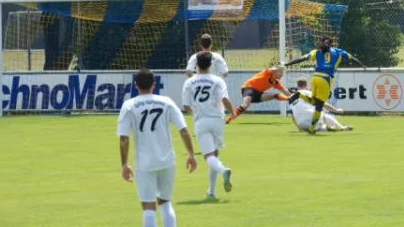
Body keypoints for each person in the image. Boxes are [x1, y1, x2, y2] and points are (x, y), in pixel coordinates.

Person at [117, 68, 197, 227]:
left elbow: (124, 139)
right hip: (167, 161)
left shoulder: (129, 105)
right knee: (165, 202)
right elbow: (184, 130)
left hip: (144, 163)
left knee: (148, 206)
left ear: (135, 85)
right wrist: (191, 155)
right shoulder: (166, 102)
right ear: (154, 85)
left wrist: (124, 164)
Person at [182, 51, 235, 198]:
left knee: (208, 156)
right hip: (218, 120)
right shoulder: (218, 81)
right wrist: (233, 113)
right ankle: (211, 191)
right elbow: (224, 100)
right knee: (215, 154)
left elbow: (186, 106)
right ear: (211, 65)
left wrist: (196, 114)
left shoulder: (190, 82)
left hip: (201, 121)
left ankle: (224, 170)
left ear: (196, 65)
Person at [285, 35, 359, 134]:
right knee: (319, 106)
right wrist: (362, 65)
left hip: (315, 77)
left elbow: (302, 58)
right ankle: (312, 129)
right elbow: (351, 58)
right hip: (325, 78)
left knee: (314, 101)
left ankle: (300, 95)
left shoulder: (316, 51)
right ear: (331, 44)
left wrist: (287, 64)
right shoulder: (338, 51)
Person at [224, 64, 292, 124]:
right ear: (275, 71)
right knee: (245, 105)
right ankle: (227, 120)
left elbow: (285, 91)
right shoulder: (267, 73)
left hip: (257, 93)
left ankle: (288, 99)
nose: (282, 74)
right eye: (281, 72)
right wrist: (279, 67)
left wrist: (292, 96)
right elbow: (271, 69)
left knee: (275, 95)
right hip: (248, 87)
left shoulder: (276, 82)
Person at [289, 77, 353, 132]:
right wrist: (336, 110)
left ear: (297, 86)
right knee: (323, 113)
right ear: (307, 85)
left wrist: (299, 128)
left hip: (301, 124)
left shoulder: (292, 96)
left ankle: (325, 128)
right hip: (312, 119)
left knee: (316, 125)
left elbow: (293, 116)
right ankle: (341, 127)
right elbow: (323, 104)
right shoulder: (308, 93)